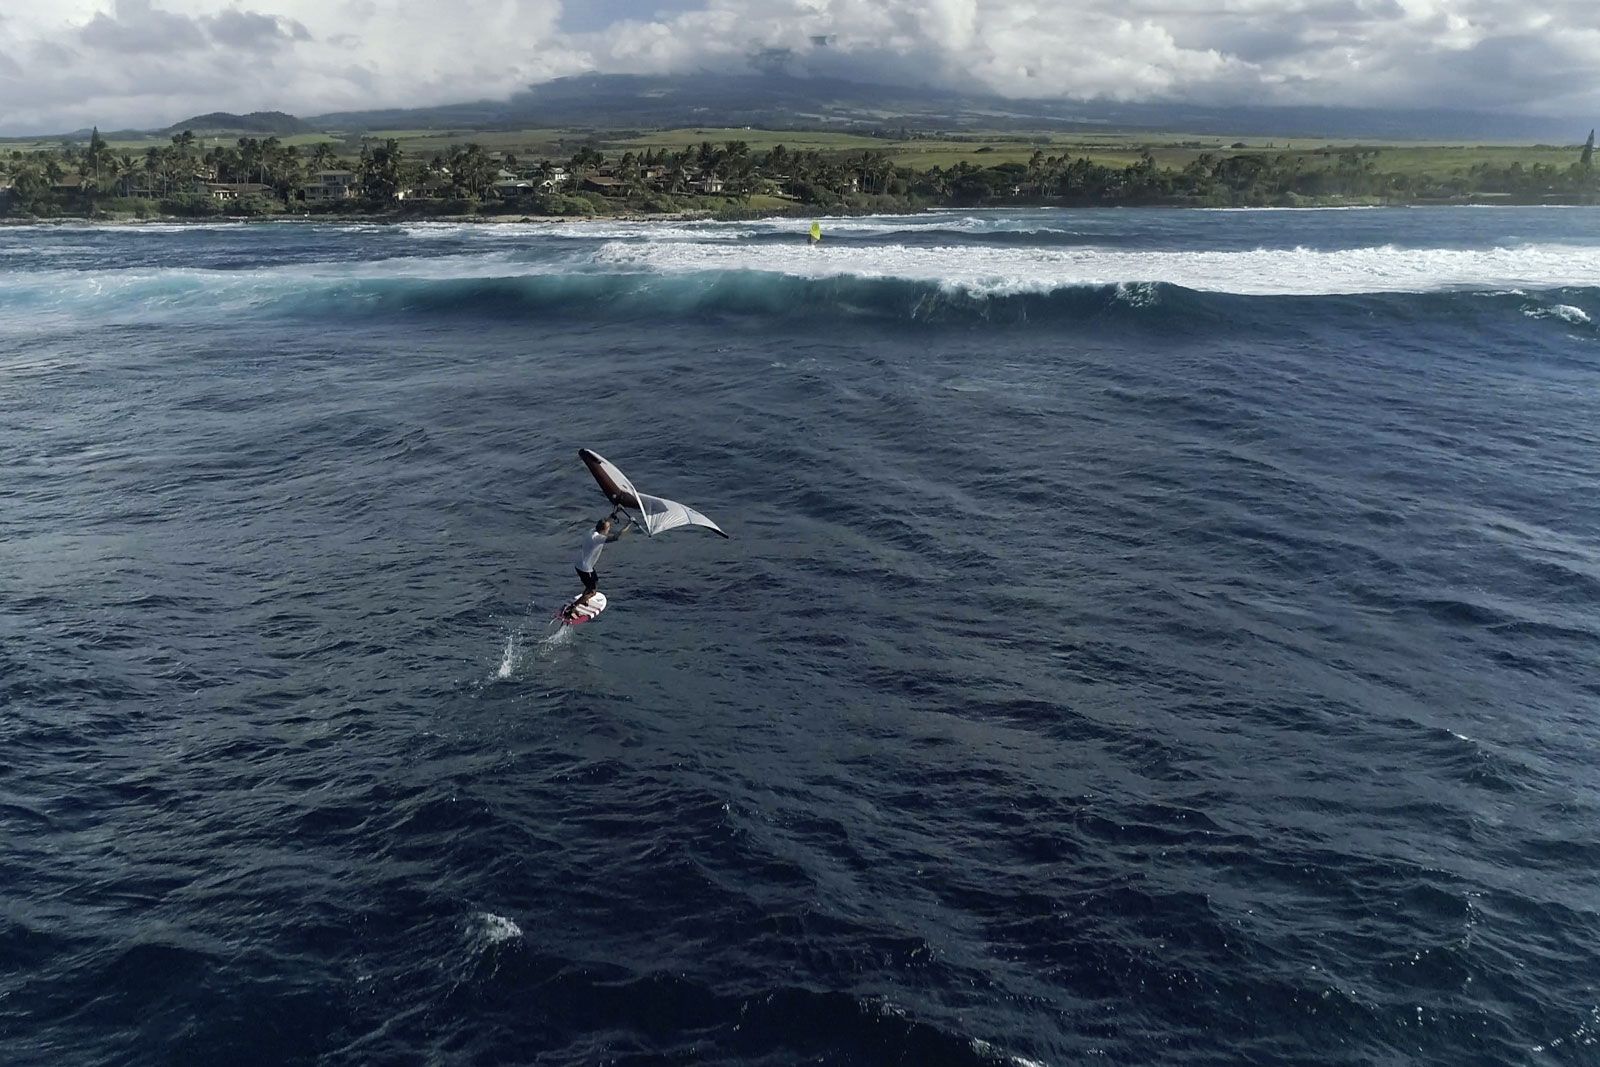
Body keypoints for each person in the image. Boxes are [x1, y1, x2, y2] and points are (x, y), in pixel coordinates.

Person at [566, 510, 629, 618]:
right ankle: (572, 608)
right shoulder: (597, 538)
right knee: (592, 592)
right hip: (585, 568)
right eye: (608, 528)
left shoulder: (592, 531)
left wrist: (613, 515)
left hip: (581, 564)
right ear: (603, 530)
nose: (610, 530)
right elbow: (616, 537)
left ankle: (584, 599)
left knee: (592, 583)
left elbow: (604, 523)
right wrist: (628, 524)